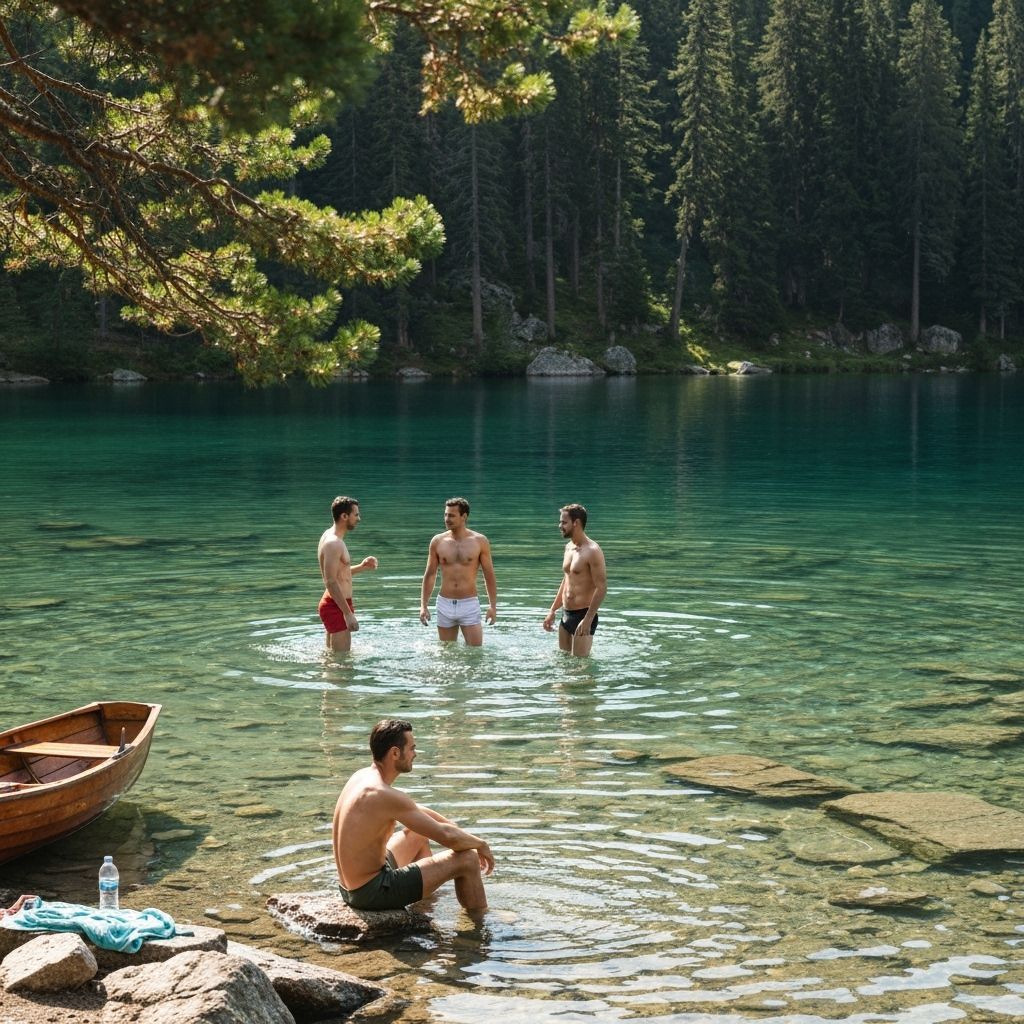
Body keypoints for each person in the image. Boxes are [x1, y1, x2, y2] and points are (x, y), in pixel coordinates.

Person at [333, 719, 494, 914]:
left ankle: (425, 907)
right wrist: (480, 844)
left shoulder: (362, 777)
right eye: (412, 748)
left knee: (418, 835)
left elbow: (417, 812)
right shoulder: (383, 794)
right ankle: (479, 924)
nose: (415, 754)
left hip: (351, 887)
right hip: (371, 893)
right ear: (394, 753)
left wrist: (455, 828)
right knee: (467, 858)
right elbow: (448, 837)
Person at [419, 497, 497, 646]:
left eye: (452, 515)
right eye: (446, 515)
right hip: (444, 603)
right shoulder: (437, 541)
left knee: (475, 653)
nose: (447, 519)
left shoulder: (480, 541)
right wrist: (423, 605)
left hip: (469, 604)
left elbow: (489, 576)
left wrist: (492, 606)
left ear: (464, 517)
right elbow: (430, 575)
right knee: (447, 653)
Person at [542, 503, 607, 657]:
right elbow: (566, 581)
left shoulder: (592, 551)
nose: (560, 526)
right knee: (564, 664)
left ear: (576, 523)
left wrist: (588, 619)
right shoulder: (568, 548)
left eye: (564, 522)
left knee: (581, 669)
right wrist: (552, 610)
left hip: (583, 615)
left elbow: (602, 587)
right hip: (566, 614)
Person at [317, 495, 378, 652]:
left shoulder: (330, 537)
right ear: (344, 516)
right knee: (342, 664)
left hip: (336, 603)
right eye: (356, 514)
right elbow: (330, 581)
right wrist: (348, 613)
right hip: (336, 605)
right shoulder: (333, 543)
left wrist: (362, 566)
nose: (359, 519)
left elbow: (338, 574)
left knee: (333, 659)